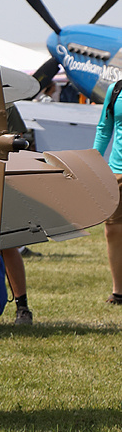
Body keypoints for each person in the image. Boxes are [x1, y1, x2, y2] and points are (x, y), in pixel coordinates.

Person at [93, 79, 122, 307]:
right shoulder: (116, 90)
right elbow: (104, 128)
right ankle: (118, 291)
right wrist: (93, 162)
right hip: (117, 173)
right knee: (112, 230)